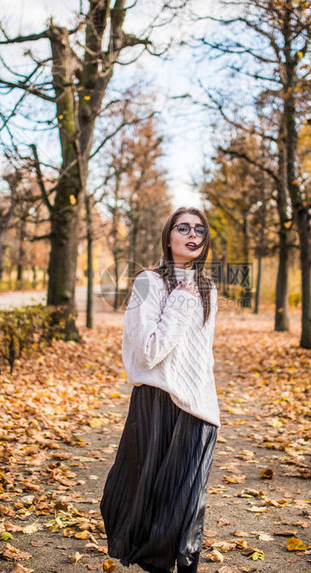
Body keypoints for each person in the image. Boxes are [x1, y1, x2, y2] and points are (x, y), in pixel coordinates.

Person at [100, 207, 220, 573]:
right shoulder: (149, 282)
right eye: (183, 227)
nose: (192, 234)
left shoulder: (208, 288)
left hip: (197, 406)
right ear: (168, 237)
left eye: (199, 229)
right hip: (156, 403)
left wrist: (209, 404)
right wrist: (181, 301)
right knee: (152, 505)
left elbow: (201, 356)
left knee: (188, 508)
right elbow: (149, 351)